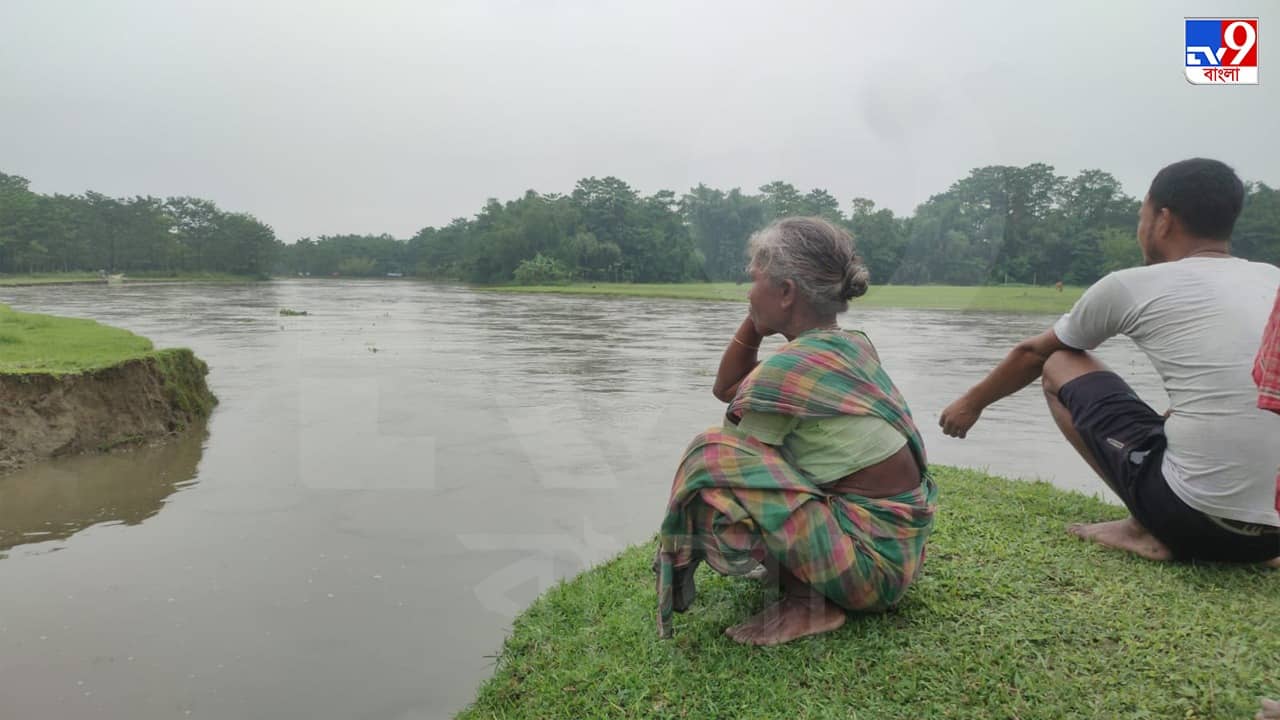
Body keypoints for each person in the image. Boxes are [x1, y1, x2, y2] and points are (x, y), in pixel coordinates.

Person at [940, 158, 1280, 564]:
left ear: (1163, 220)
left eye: (1142, 215)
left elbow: (1033, 354)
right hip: (1273, 539)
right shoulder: (1272, 279)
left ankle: (1143, 527)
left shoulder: (1133, 284)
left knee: (1061, 361)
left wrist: (970, 404)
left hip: (1192, 524)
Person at [654, 217, 937, 645]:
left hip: (868, 572)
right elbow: (732, 390)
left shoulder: (788, 370)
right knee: (744, 455)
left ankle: (810, 604)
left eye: (754, 281)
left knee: (711, 456)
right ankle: (809, 585)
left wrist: (758, 318)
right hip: (898, 555)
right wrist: (759, 317)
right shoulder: (853, 343)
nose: (747, 292)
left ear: (786, 292)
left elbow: (734, 442)